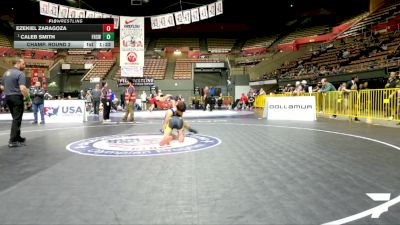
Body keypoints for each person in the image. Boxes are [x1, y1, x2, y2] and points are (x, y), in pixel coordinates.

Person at [0, 58, 29, 148]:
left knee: (16, 118)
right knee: (17, 119)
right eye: (24, 64)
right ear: (19, 63)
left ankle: (17, 137)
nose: (25, 66)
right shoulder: (20, 74)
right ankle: (12, 141)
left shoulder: (6, 73)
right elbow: (23, 88)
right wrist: (28, 99)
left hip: (8, 97)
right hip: (16, 97)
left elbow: (1, 86)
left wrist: (9, 91)